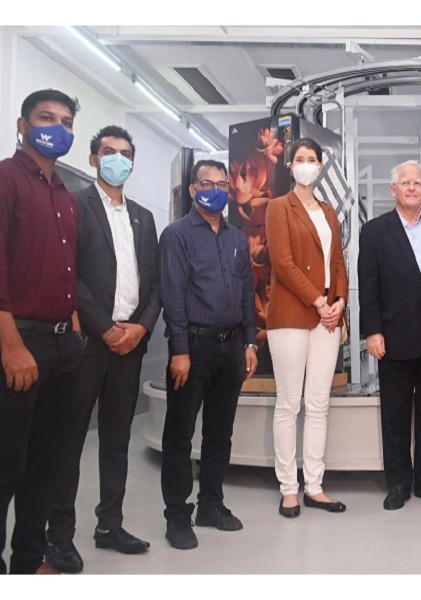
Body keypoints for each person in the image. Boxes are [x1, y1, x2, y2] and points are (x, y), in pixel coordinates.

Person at [45, 126, 161, 573]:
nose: (118, 159)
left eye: (126, 154)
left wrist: (140, 328)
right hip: (86, 344)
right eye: (110, 152)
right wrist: (104, 328)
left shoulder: (144, 217)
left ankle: (109, 525)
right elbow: (68, 275)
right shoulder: (74, 205)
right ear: (94, 159)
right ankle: (59, 536)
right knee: (70, 440)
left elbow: (153, 284)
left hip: (130, 345)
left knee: (116, 441)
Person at [0, 89, 83, 575]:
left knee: (44, 464)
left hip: (61, 344)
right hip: (19, 341)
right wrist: (10, 346)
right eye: (46, 118)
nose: (57, 127)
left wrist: (71, 332)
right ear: (22, 124)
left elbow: (65, 272)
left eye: (65, 120)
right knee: (7, 464)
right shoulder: (6, 180)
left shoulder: (64, 198)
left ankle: (29, 561)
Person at [158, 159, 258, 549]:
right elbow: (173, 295)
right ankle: (177, 516)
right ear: (192, 189)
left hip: (231, 347)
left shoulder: (237, 238)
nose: (213, 189)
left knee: (220, 433)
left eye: (220, 183)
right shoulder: (177, 235)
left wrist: (250, 342)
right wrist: (179, 349)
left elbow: (247, 293)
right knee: (180, 435)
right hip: (193, 347)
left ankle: (211, 505)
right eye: (206, 182)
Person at [358, 160, 421, 511]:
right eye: (405, 182)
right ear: (393, 190)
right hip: (394, 339)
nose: (413, 187)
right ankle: (399, 483)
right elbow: (368, 288)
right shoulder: (374, 232)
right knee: (396, 416)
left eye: (417, 182)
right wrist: (372, 331)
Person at [266, 138, 348, 517]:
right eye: (298, 159)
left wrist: (340, 303)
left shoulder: (329, 212)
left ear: (321, 166)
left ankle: (314, 485)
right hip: (292, 314)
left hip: (329, 316)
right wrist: (319, 302)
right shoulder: (278, 208)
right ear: (290, 166)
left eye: (311, 159)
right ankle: (288, 488)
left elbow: (339, 264)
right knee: (289, 404)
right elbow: (282, 263)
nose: (305, 164)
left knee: (318, 404)